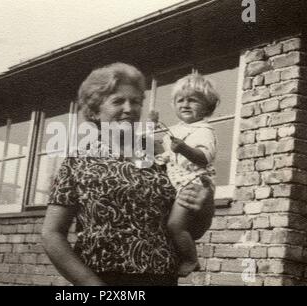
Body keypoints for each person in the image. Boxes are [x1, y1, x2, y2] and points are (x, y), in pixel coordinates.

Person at [41, 63, 215, 286]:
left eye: (135, 102)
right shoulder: (78, 161)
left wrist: (206, 204)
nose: (129, 108)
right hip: (102, 280)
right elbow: (52, 234)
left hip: (160, 280)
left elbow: (191, 230)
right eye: (118, 101)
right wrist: (91, 284)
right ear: (95, 111)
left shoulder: (163, 157)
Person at [150, 72, 218, 276]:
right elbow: (161, 153)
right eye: (180, 100)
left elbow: (203, 157)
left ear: (207, 106)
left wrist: (184, 149)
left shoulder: (204, 130)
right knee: (173, 223)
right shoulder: (175, 129)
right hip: (179, 182)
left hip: (193, 183)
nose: (185, 104)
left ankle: (191, 259)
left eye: (193, 100)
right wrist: (151, 126)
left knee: (175, 224)